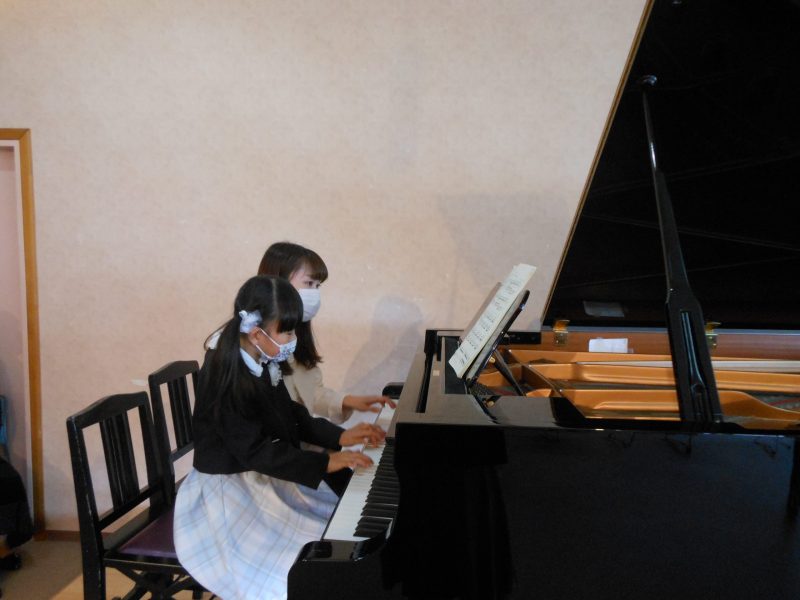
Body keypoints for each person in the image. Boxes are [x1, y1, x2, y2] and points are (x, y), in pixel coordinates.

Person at [174, 275, 385, 600]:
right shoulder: (224, 372)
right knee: (289, 571)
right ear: (257, 333)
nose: (292, 339)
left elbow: (291, 413)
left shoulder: (261, 355)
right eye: (286, 332)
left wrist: (340, 437)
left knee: (334, 527)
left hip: (260, 473)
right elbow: (253, 450)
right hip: (228, 490)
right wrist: (323, 462)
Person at [257, 242, 395, 424]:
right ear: (278, 282)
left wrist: (347, 401)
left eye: (317, 286)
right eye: (309, 283)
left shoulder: (297, 332)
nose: (314, 294)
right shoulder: (252, 344)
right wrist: (336, 438)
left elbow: (310, 393)